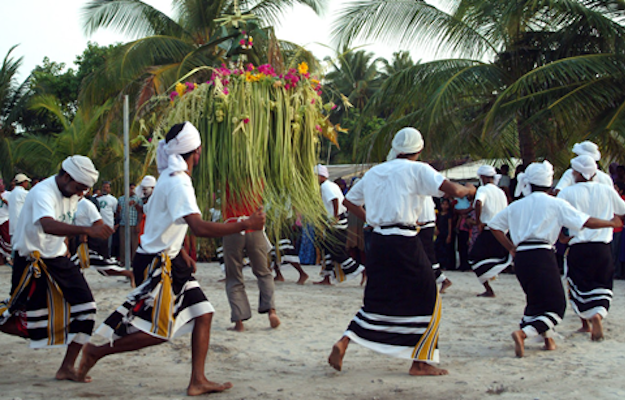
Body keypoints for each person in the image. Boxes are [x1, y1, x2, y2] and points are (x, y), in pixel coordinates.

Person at [78, 121, 264, 395]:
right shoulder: (178, 182)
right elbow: (199, 226)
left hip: (167, 258)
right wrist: (244, 223)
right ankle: (96, 351)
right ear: (196, 152)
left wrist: (183, 253)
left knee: (204, 313)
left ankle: (197, 380)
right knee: (159, 331)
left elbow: (163, 222)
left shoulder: (168, 176)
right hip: (157, 264)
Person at [328, 127, 476, 376]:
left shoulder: (376, 171)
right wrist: (471, 189)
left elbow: (348, 201)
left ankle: (345, 341)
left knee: (377, 296)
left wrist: (372, 220)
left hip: (377, 241)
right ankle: (420, 362)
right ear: (419, 149)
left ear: (396, 148)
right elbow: (455, 191)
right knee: (431, 296)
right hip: (404, 239)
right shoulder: (419, 169)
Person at [488, 160, 622, 358]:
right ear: (549, 183)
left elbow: (494, 225)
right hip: (542, 254)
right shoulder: (555, 203)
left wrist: (510, 248)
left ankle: (548, 340)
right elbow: (586, 222)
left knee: (536, 298)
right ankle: (524, 333)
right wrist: (610, 223)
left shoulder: (517, 205)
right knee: (556, 305)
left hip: (523, 257)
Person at [0, 156, 113, 381]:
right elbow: (48, 224)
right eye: (79, 188)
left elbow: (93, 219)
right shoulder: (43, 191)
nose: (81, 193)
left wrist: (99, 227)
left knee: (87, 309)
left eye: (85, 190)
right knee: (22, 321)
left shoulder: (74, 193)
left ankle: (67, 368)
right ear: (67, 177)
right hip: (31, 261)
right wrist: (86, 231)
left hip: (58, 259)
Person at [557, 155, 625, 341]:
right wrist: (613, 222)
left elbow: (556, 217)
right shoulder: (608, 190)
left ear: (576, 172)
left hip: (578, 246)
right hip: (602, 247)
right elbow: (622, 211)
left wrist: (562, 237)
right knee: (602, 284)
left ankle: (585, 323)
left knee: (578, 285)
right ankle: (598, 315)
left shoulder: (567, 193)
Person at [221, 181, 279, 332]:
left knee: (234, 275)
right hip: (255, 227)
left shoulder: (226, 175)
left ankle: (239, 322)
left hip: (233, 227)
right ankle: (271, 311)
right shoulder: (257, 177)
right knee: (264, 272)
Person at [314, 164, 365, 285]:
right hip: (334, 220)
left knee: (336, 250)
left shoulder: (326, 187)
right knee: (327, 250)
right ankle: (326, 277)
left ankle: (362, 270)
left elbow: (334, 200)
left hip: (336, 221)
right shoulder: (331, 185)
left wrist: (335, 216)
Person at [468, 165, 512, 297]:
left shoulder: (483, 189)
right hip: (501, 229)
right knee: (490, 256)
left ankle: (489, 287)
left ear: (482, 177)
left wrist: (479, 222)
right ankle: (489, 282)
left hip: (489, 228)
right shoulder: (501, 192)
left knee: (473, 258)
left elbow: (478, 202)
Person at [71, 197, 135, 286]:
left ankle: (129, 274)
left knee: (103, 266)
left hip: (92, 239)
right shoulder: (72, 204)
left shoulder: (87, 205)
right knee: (76, 263)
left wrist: (85, 234)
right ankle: (78, 283)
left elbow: (98, 222)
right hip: (79, 238)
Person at [418, 196, 452, 293]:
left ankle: (442, 279)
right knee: (426, 253)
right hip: (426, 223)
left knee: (427, 254)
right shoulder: (426, 195)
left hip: (424, 224)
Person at [117, 183, 142, 265]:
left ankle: (133, 262)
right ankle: (123, 261)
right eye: (130, 189)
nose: (132, 191)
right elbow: (117, 213)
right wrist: (118, 210)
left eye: (133, 189)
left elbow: (140, 213)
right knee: (123, 244)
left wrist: (138, 224)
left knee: (133, 245)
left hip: (133, 224)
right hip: (123, 224)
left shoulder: (138, 199)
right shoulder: (121, 199)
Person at [96, 181, 118, 256]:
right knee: (98, 244)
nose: (105, 189)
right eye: (104, 187)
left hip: (109, 225)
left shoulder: (113, 199)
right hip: (98, 226)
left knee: (108, 245)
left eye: (107, 187)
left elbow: (115, 213)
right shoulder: (96, 198)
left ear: (110, 189)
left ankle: (107, 258)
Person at [0, 179, 11, 264]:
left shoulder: (9, 195)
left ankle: (9, 258)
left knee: (7, 241)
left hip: (5, 219)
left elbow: (11, 206)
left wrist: (2, 199)